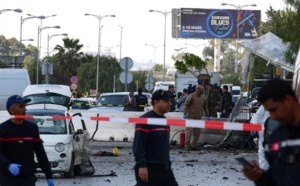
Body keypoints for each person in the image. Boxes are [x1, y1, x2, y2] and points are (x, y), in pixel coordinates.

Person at [242, 79, 300, 185]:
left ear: (288, 100)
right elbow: (275, 178)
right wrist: (259, 178)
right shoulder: (276, 137)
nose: (272, 117)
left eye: (274, 110)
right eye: (269, 112)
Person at [0, 95, 54, 186]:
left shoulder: (32, 128)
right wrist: (7, 165)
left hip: (28, 177)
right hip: (8, 178)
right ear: (12, 110)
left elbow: (40, 153)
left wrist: (49, 175)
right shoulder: (3, 129)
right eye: (21, 106)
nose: (25, 109)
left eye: (25, 106)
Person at [133, 89, 178, 186]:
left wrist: (168, 164)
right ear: (156, 102)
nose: (170, 104)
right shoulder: (145, 120)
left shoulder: (164, 121)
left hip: (165, 168)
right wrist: (142, 165)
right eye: (166, 101)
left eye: (170, 101)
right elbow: (138, 145)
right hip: (150, 169)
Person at [183, 85, 209, 151]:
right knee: (189, 131)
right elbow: (186, 105)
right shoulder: (191, 96)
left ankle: (194, 145)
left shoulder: (203, 98)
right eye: (197, 88)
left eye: (199, 89)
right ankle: (187, 145)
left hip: (198, 118)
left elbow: (205, 107)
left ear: (201, 90)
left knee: (197, 132)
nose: (198, 90)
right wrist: (185, 114)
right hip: (190, 117)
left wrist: (207, 115)